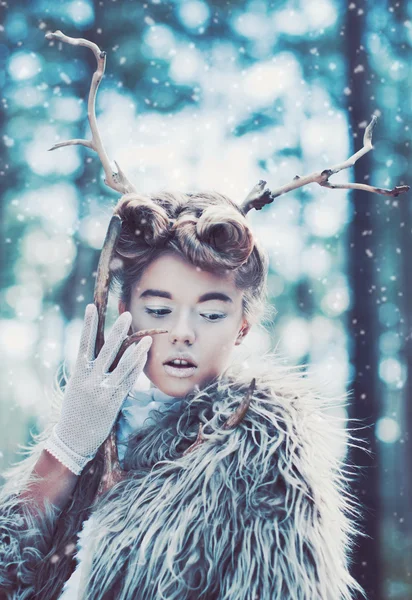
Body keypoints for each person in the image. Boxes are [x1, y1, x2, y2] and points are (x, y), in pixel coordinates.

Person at [0, 189, 367, 599]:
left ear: (242, 327)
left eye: (211, 314)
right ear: (126, 311)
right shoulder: (92, 429)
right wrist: (65, 451)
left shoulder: (267, 456)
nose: (182, 332)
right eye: (159, 310)